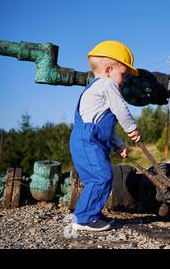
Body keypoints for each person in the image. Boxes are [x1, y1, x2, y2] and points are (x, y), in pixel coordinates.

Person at [70, 40, 141, 231]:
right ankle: (83, 219)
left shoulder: (97, 88)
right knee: (101, 177)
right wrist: (131, 128)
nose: (124, 80)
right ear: (109, 70)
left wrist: (118, 144)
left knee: (98, 177)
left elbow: (104, 126)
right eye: (123, 75)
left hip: (90, 140)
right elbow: (120, 109)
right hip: (88, 141)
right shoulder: (106, 85)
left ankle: (91, 213)